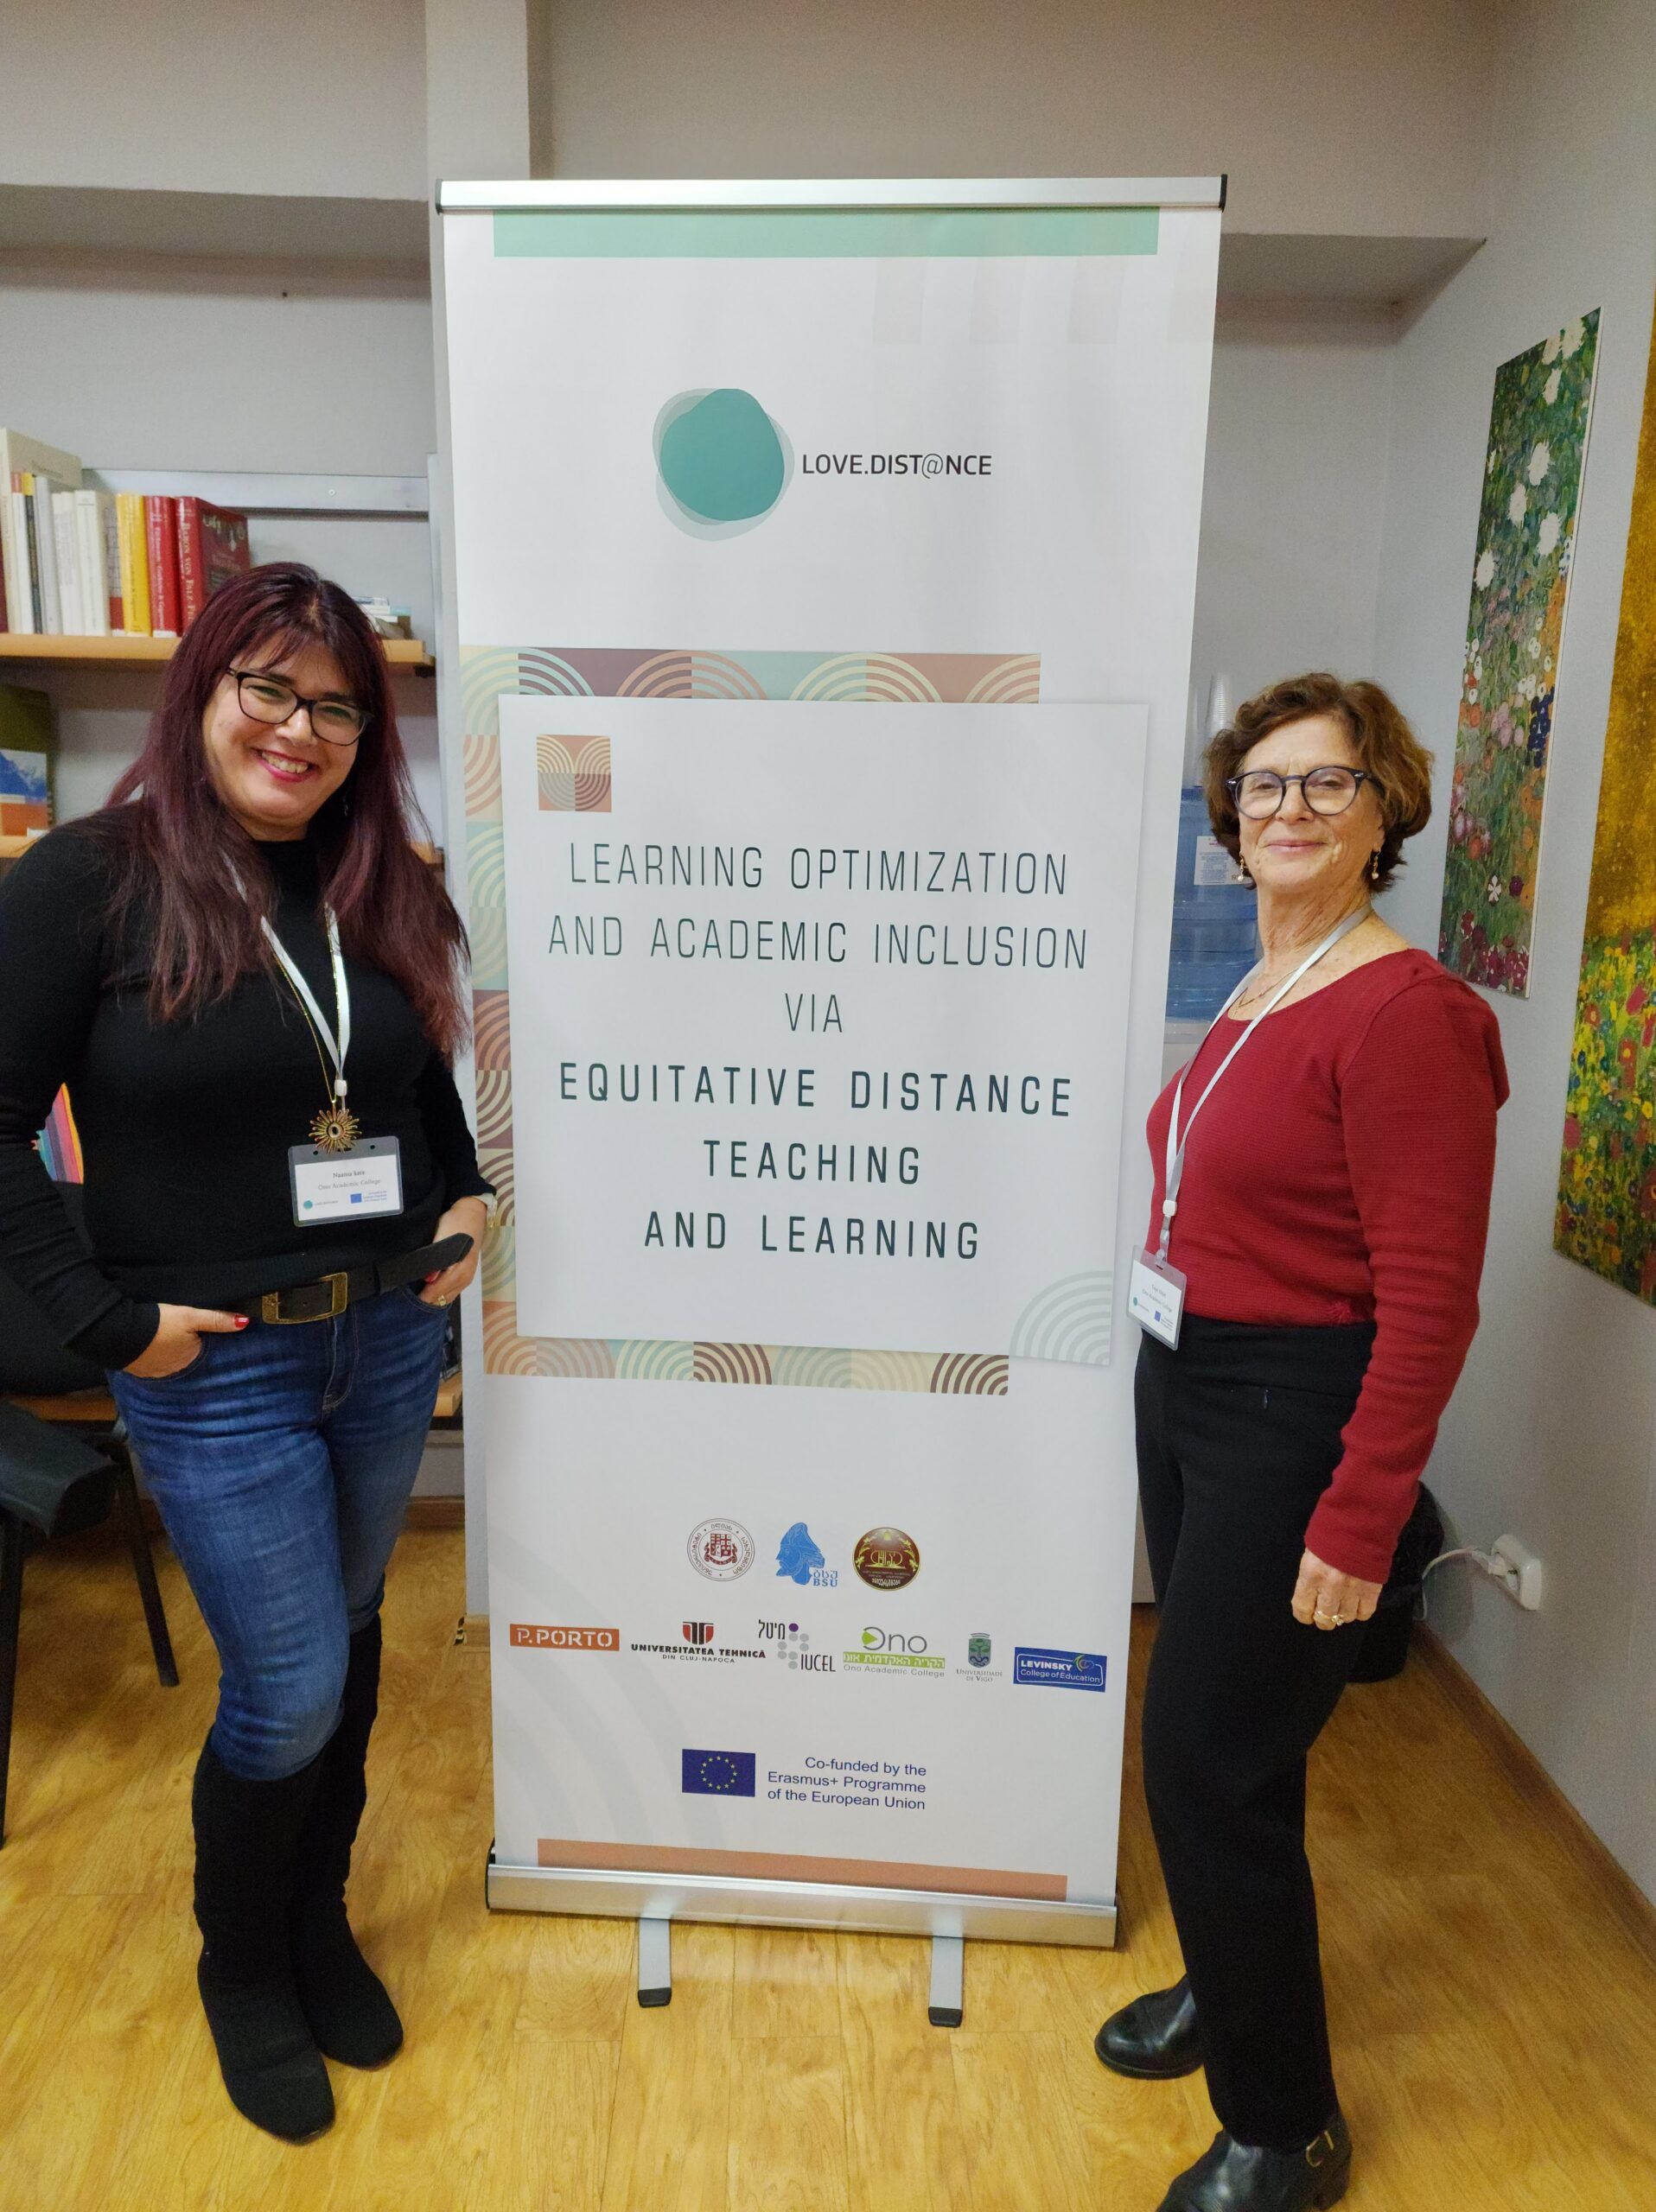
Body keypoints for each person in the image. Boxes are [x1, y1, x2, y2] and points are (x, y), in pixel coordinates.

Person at [0, 564, 492, 2143]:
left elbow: (404, 1078)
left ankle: (316, 1919)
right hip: (212, 1371)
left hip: (386, 1341)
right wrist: (103, 1324)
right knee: (284, 1692)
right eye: (266, 689)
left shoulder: (379, 879)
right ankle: (243, 1968)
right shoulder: (85, 882)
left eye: (337, 707)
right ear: (202, 690)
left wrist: (468, 1193)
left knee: (348, 1640)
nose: (300, 730)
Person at [1099, 673, 1507, 2211]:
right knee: (1239, 1749)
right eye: (1262, 785)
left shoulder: (1411, 1016)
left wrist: (1361, 1516)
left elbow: (1432, 1303)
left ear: (1383, 808)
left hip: (1295, 1415)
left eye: (1327, 783)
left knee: (1204, 1758)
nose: (1288, 808)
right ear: (1231, 818)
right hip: (1191, 1383)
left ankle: (1288, 2127)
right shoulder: (1272, 978)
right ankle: (1229, 1985)